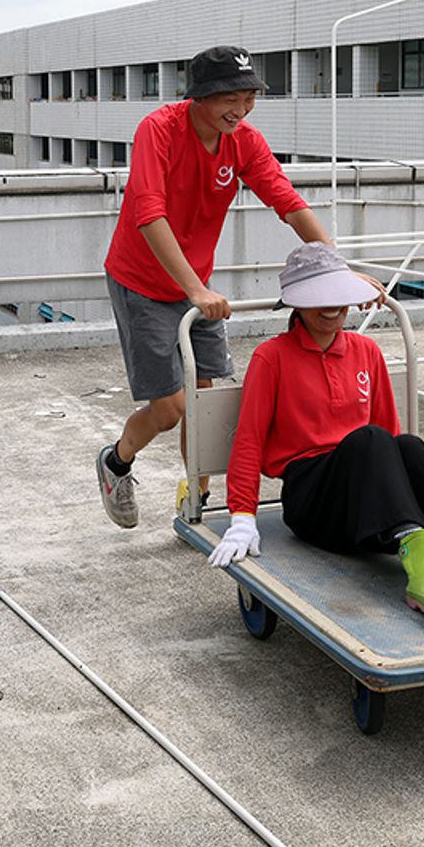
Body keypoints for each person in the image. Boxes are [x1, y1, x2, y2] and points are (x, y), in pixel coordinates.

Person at [207, 243, 424, 614]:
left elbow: (390, 446)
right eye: (317, 297)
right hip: (312, 501)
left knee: (408, 445)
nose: (331, 307)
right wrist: (242, 517)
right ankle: (417, 554)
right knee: (373, 438)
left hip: (363, 502)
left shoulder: (367, 352)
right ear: (297, 304)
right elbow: (249, 439)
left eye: (338, 295)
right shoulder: (272, 357)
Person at [96, 45, 332, 529]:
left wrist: (334, 265)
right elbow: (149, 213)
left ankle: (196, 497)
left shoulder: (243, 141)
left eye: (248, 98)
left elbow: (285, 200)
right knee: (171, 411)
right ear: (199, 96)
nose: (239, 110)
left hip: (195, 283)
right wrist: (195, 290)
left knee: (203, 404)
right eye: (230, 98)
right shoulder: (159, 131)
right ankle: (116, 462)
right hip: (142, 282)